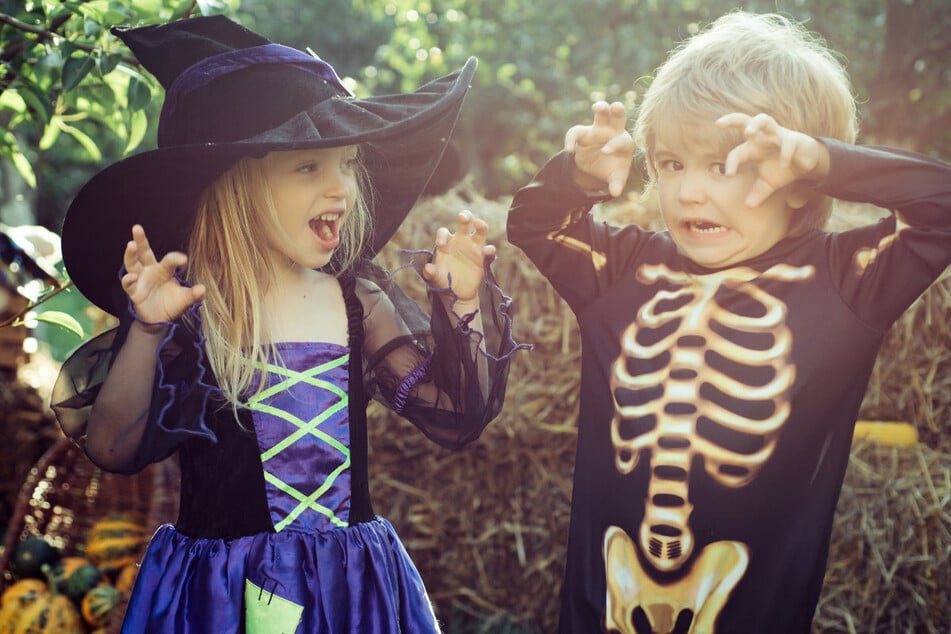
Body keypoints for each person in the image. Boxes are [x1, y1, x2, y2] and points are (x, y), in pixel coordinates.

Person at [51, 15, 526, 633]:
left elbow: (456, 415)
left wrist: (462, 306)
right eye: (309, 168)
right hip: (223, 598)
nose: (342, 189)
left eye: (349, 164)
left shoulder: (357, 301)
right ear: (236, 186)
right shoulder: (193, 310)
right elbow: (113, 446)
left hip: (350, 595)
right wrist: (146, 331)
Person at [506, 10, 950, 634]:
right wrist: (577, 176)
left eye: (722, 165)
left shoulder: (847, 282)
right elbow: (533, 225)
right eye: (670, 163)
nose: (688, 192)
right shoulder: (622, 269)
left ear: (795, 182)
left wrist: (826, 162)